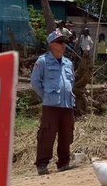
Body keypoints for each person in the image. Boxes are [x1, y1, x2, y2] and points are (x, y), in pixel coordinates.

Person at [31, 29, 76, 175]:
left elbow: (71, 81)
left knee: (67, 134)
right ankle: (42, 165)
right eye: (59, 42)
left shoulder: (68, 63)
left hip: (67, 104)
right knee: (47, 134)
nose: (63, 45)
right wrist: (46, 96)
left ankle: (64, 163)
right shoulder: (43, 61)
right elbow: (35, 82)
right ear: (51, 44)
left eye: (64, 42)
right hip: (51, 105)